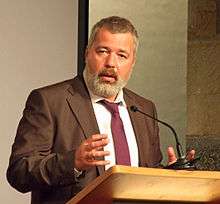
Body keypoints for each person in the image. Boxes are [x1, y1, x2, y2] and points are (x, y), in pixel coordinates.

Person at [7, 16, 195, 204]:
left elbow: (144, 172)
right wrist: (72, 162)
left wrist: (171, 175)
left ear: (133, 62)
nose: (111, 63)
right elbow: (19, 171)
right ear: (87, 53)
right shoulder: (50, 101)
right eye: (103, 51)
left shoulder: (144, 108)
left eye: (122, 55)